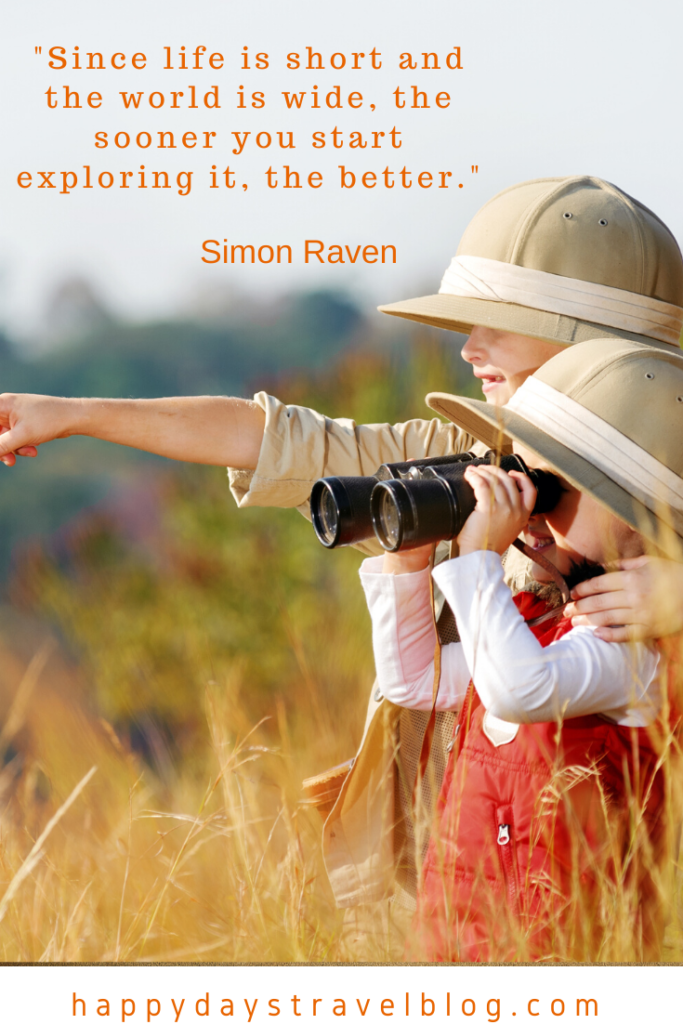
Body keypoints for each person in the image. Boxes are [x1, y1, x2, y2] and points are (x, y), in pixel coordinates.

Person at [1, 175, 682, 929]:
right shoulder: (469, 450)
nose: (466, 348)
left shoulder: (663, 470)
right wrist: (74, 414)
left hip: (619, 886)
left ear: (594, 339)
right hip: (465, 864)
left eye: (498, 323)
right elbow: (283, 441)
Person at [360, 336, 683, 961]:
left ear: (636, 511)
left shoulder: (634, 647)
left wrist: (479, 557)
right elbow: (416, 682)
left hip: (563, 954)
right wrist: (408, 564)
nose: (529, 506)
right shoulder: (539, 619)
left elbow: (521, 687)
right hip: (461, 939)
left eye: (551, 487)